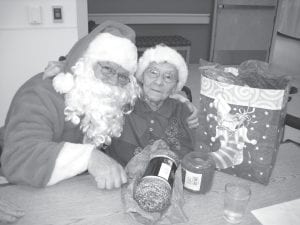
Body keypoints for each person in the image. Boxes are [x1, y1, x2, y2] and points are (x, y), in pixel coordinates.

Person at [0, 21, 140, 190]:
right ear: (86, 62)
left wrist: (170, 96)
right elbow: (19, 158)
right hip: (25, 191)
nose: (113, 81)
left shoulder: (110, 99)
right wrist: (88, 158)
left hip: (77, 191)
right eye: (107, 69)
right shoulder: (39, 93)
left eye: (122, 76)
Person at [108, 44, 195, 165]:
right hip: (119, 179)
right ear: (142, 76)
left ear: (176, 86)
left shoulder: (183, 111)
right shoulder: (123, 102)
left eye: (168, 77)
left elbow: (194, 155)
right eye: (153, 72)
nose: (159, 82)